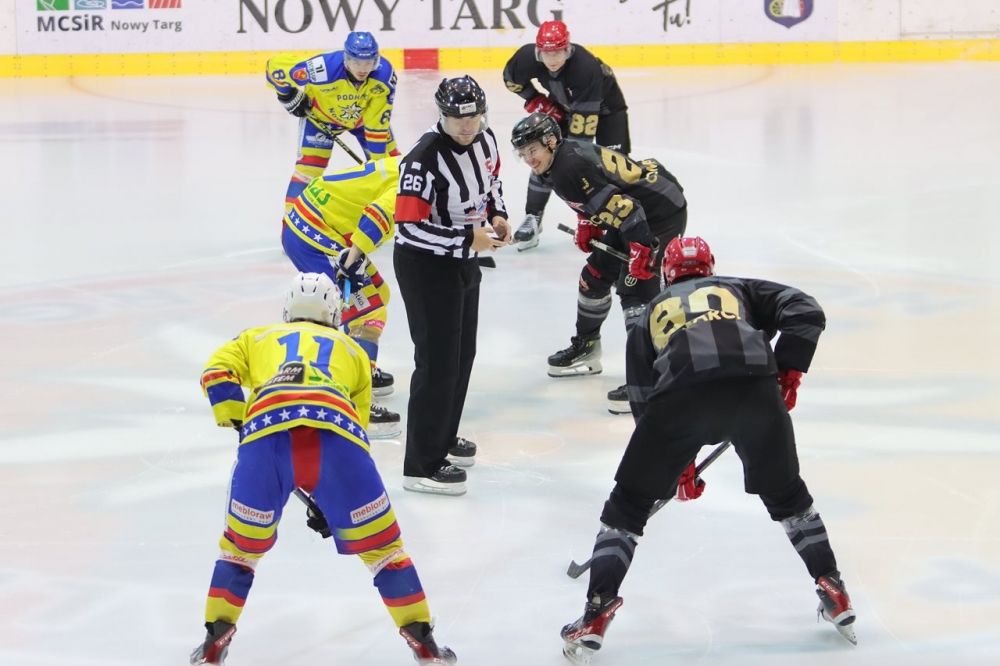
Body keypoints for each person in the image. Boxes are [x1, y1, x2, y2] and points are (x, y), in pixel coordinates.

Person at [559, 237, 856, 664]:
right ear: (711, 267)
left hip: (681, 398)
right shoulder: (738, 288)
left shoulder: (648, 314)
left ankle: (596, 611)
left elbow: (643, 397)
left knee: (628, 506)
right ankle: (833, 585)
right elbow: (806, 310)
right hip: (755, 389)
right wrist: (788, 369)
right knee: (788, 496)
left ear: (667, 275)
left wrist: (678, 465)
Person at [189, 273, 456, 666]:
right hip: (339, 441)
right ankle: (425, 645)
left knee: (239, 553)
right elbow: (358, 431)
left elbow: (215, 371)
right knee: (385, 553)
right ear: (333, 314)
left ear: (287, 310)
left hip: (266, 440)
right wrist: (332, 499)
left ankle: (214, 644)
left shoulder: (256, 337)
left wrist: (238, 419)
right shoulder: (354, 351)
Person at [511, 112, 686, 414]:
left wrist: (643, 249)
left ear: (550, 142)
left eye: (533, 150)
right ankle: (588, 346)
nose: (528, 159)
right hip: (638, 211)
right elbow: (603, 192)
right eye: (523, 153)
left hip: (659, 212)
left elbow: (629, 210)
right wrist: (587, 220)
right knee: (593, 278)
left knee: (636, 292)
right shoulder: (556, 161)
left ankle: (649, 378)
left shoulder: (568, 167)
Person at [393, 76, 510, 496]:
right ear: (441, 114)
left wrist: (497, 216)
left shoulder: (486, 140)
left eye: (473, 117)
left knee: (461, 356)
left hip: (464, 259)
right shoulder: (423, 159)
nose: (467, 125)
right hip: (425, 267)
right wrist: (466, 239)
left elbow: (491, 184)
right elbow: (407, 228)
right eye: (458, 118)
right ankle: (421, 465)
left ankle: (441, 437)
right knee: (437, 363)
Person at [281, 156, 403, 437]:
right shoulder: (414, 181)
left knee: (378, 295)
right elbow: (377, 215)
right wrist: (350, 263)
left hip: (315, 223)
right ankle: (355, 401)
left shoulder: (418, 161)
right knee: (368, 313)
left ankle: (356, 368)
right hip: (314, 233)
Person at [503, 20, 630, 251]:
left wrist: (570, 165)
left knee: (613, 167)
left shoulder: (585, 67)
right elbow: (510, 80)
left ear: (568, 49)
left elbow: (581, 138)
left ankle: (619, 224)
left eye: (558, 52)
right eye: (546, 54)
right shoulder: (526, 58)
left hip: (607, 111)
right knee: (543, 156)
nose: (552, 59)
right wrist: (534, 98)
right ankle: (533, 217)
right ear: (538, 52)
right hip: (566, 108)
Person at [266, 31, 399, 212]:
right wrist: (286, 95)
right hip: (321, 119)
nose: (363, 69)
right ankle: (291, 218)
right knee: (308, 169)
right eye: (356, 62)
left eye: (368, 63)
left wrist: (378, 165)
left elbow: (376, 123)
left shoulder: (384, 77)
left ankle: (395, 210)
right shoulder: (322, 68)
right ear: (346, 59)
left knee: (390, 165)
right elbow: (275, 67)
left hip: (362, 122)